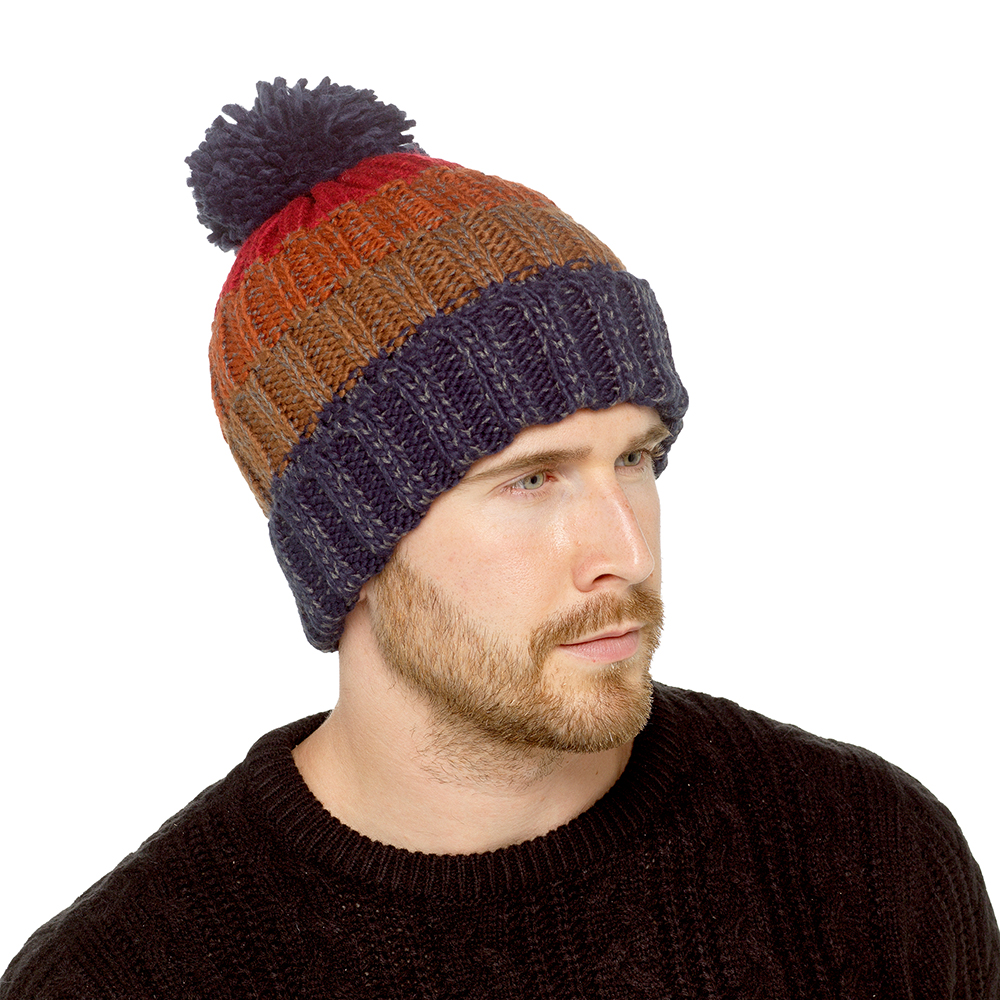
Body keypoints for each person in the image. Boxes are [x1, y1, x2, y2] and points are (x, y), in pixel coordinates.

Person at [2, 76, 996, 999]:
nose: (626, 553)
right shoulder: (120, 979)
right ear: (350, 544)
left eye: (636, 459)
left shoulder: (864, 857)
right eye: (530, 478)